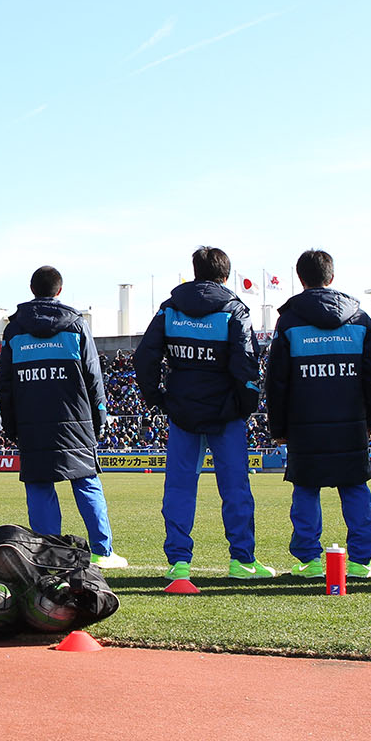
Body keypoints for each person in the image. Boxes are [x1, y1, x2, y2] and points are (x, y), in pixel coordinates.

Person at [134, 246, 275, 581]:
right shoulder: (234, 309)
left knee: (180, 487)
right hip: (226, 413)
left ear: (195, 272)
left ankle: (179, 563)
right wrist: (246, 405)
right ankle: (241, 561)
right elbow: (245, 362)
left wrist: (158, 398)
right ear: (225, 275)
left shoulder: (170, 309)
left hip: (182, 410)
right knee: (235, 488)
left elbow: (145, 357)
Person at [263, 250, 371, 579]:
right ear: (331, 277)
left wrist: (279, 427)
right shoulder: (360, 319)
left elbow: (277, 382)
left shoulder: (289, 320)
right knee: (356, 488)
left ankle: (309, 560)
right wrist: (370, 421)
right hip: (351, 422)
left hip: (305, 423)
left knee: (305, 489)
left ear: (301, 279)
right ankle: (361, 562)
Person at [0, 265, 127, 569]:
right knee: (87, 483)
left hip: (32, 422)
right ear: (60, 290)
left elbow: (5, 382)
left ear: (33, 290)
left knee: (40, 486)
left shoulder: (14, 329)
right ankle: (103, 552)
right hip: (76, 421)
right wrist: (100, 419)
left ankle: (50, 555)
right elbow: (93, 377)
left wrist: (11, 424)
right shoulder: (76, 326)